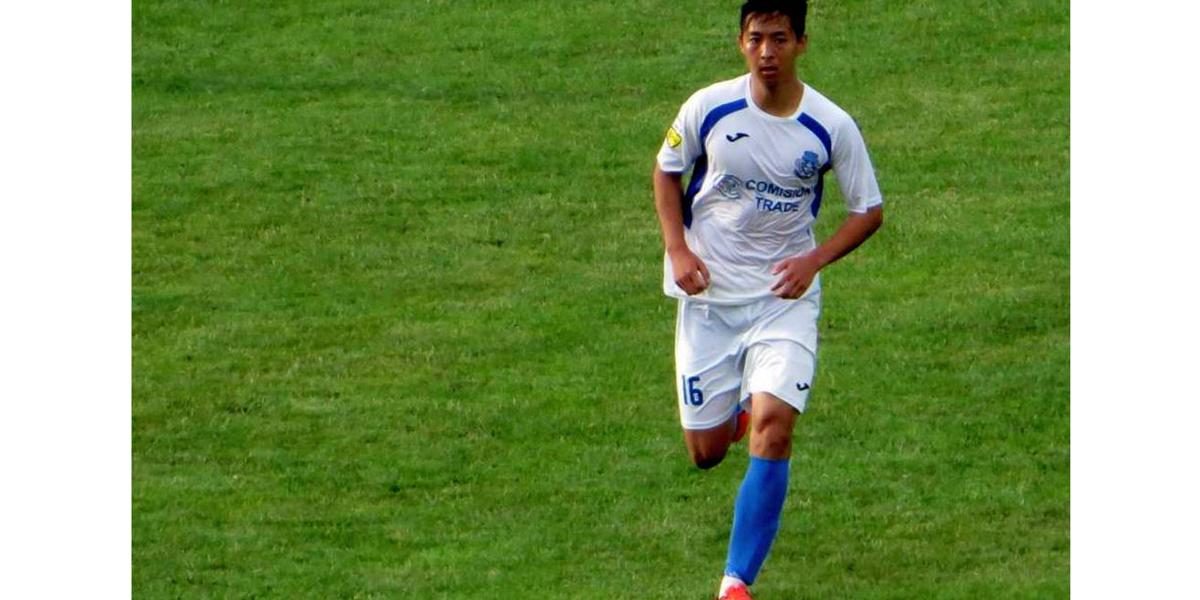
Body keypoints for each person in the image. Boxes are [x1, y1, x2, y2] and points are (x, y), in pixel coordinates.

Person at [651, 1, 884, 597]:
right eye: (756, 39)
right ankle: (734, 416)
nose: (767, 52)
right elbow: (667, 169)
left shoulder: (831, 126)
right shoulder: (709, 107)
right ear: (740, 42)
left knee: (776, 429)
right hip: (710, 299)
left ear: (802, 42)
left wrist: (814, 260)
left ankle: (735, 583)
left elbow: (868, 210)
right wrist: (677, 249)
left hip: (784, 300)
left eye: (779, 39)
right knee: (705, 454)